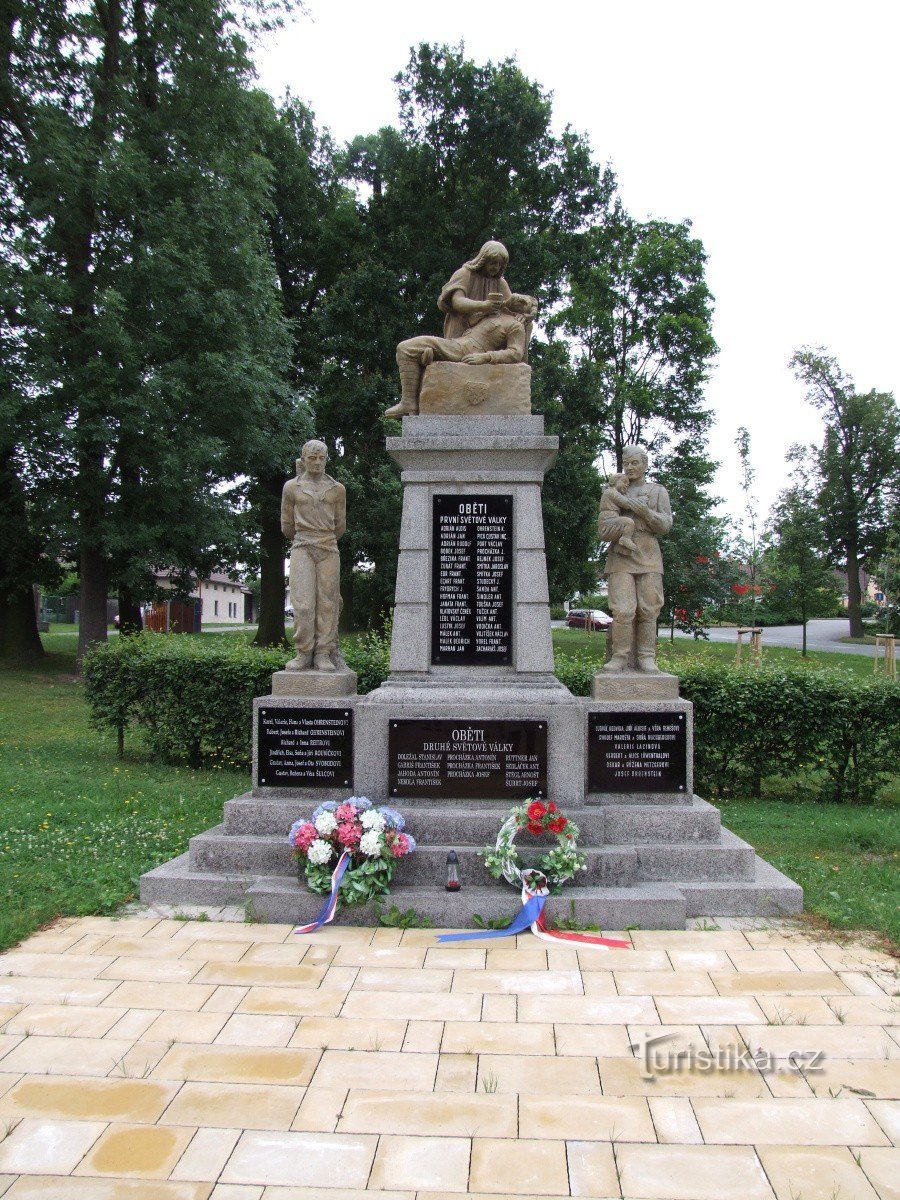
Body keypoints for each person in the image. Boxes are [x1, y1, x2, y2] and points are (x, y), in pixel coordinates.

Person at [384, 294, 538, 418]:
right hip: (457, 343)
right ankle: (413, 393)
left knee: (405, 348)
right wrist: (487, 308)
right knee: (407, 348)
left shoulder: (515, 325)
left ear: (525, 310)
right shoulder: (494, 313)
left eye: (522, 301)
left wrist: (485, 357)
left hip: (468, 350)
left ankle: (408, 401)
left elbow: (516, 353)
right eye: (518, 297)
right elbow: (470, 320)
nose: (516, 298)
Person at [601, 445, 672, 673]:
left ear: (645, 464)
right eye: (626, 463)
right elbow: (602, 530)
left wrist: (645, 512)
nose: (630, 467)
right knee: (623, 610)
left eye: (635, 463)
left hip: (649, 555)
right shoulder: (615, 489)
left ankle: (646, 657)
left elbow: (665, 525)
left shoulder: (657, 491)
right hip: (621, 556)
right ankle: (620, 657)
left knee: (649, 609)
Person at [280, 440, 346, 671]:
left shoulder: (337, 489)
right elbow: (287, 524)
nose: (317, 463)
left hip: (328, 547)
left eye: (321, 458)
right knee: (304, 604)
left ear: (326, 459)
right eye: (312, 458)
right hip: (303, 546)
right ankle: (303, 651)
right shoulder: (291, 487)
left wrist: (323, 537)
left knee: (327, 603)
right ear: (304, 458)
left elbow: (340, 525)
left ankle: (323, 653)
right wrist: (305, 536)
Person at [437, 240, 513, 340]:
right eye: (493, 263)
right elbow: (457, 301)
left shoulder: (500, 283)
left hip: (487, 336)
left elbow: (511, 305)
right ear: (484, 259)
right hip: (462, 331)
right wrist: (483, 306)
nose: (496, 267)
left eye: (500, 264)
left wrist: (524, 314)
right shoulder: (465, 274)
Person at [598, 472, 639, 557]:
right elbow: (626, 504)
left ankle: (621, 547)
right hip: (608, 520)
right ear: (615, 481)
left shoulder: (610, 492)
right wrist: (641, 501)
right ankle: (625, 538)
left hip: (610, 518)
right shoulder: (611, 492)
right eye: (624, 482)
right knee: (628, 522)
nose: (627, 485)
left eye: (628, 484)